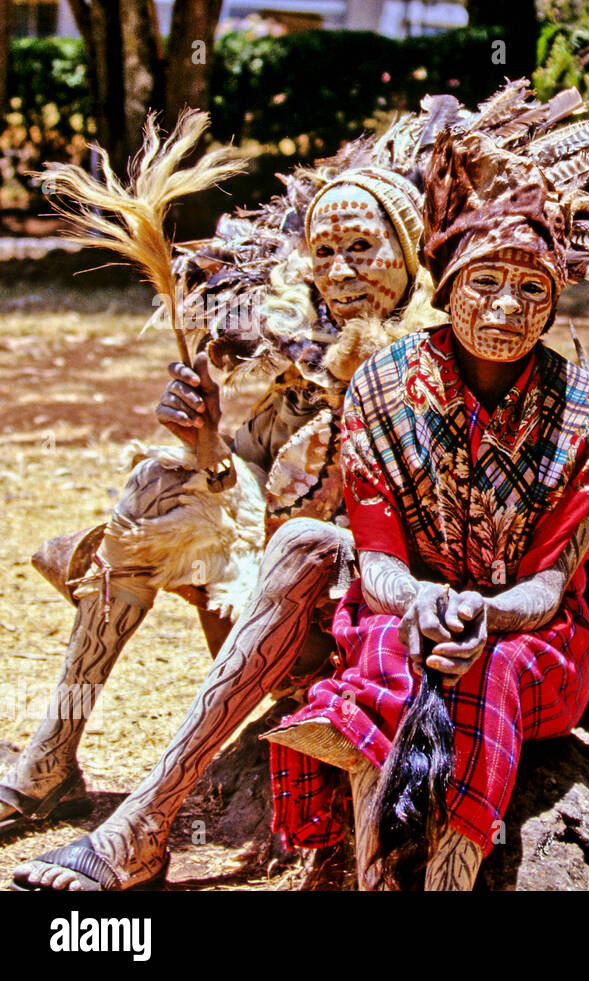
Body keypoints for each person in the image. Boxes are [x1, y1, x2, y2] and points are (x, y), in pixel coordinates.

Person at [10, 165, 432, 890]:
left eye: (363, 247)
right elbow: (245, 494)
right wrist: (205, 440)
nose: (340, 270)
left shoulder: (439, 362)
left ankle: (146, 817)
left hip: (374, 634)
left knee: (301, 550)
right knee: (158, 481)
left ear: (410, 254)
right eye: (324, 252)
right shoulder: (297, 370)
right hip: (268, 615)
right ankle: (52, 754)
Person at [262, 107, 589, 891]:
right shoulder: (382, 389)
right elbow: (379, 563)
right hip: (407, 617)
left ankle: (448, 881)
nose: (505, 307)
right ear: (449, 285)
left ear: (557, 300)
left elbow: (547, 587)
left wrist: (483, 616)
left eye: (532, 287)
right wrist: (424, 602)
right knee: (389, 657)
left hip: (538, 645)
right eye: (484, 282)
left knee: (485, 673)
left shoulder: (588, 414)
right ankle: (374, 871)